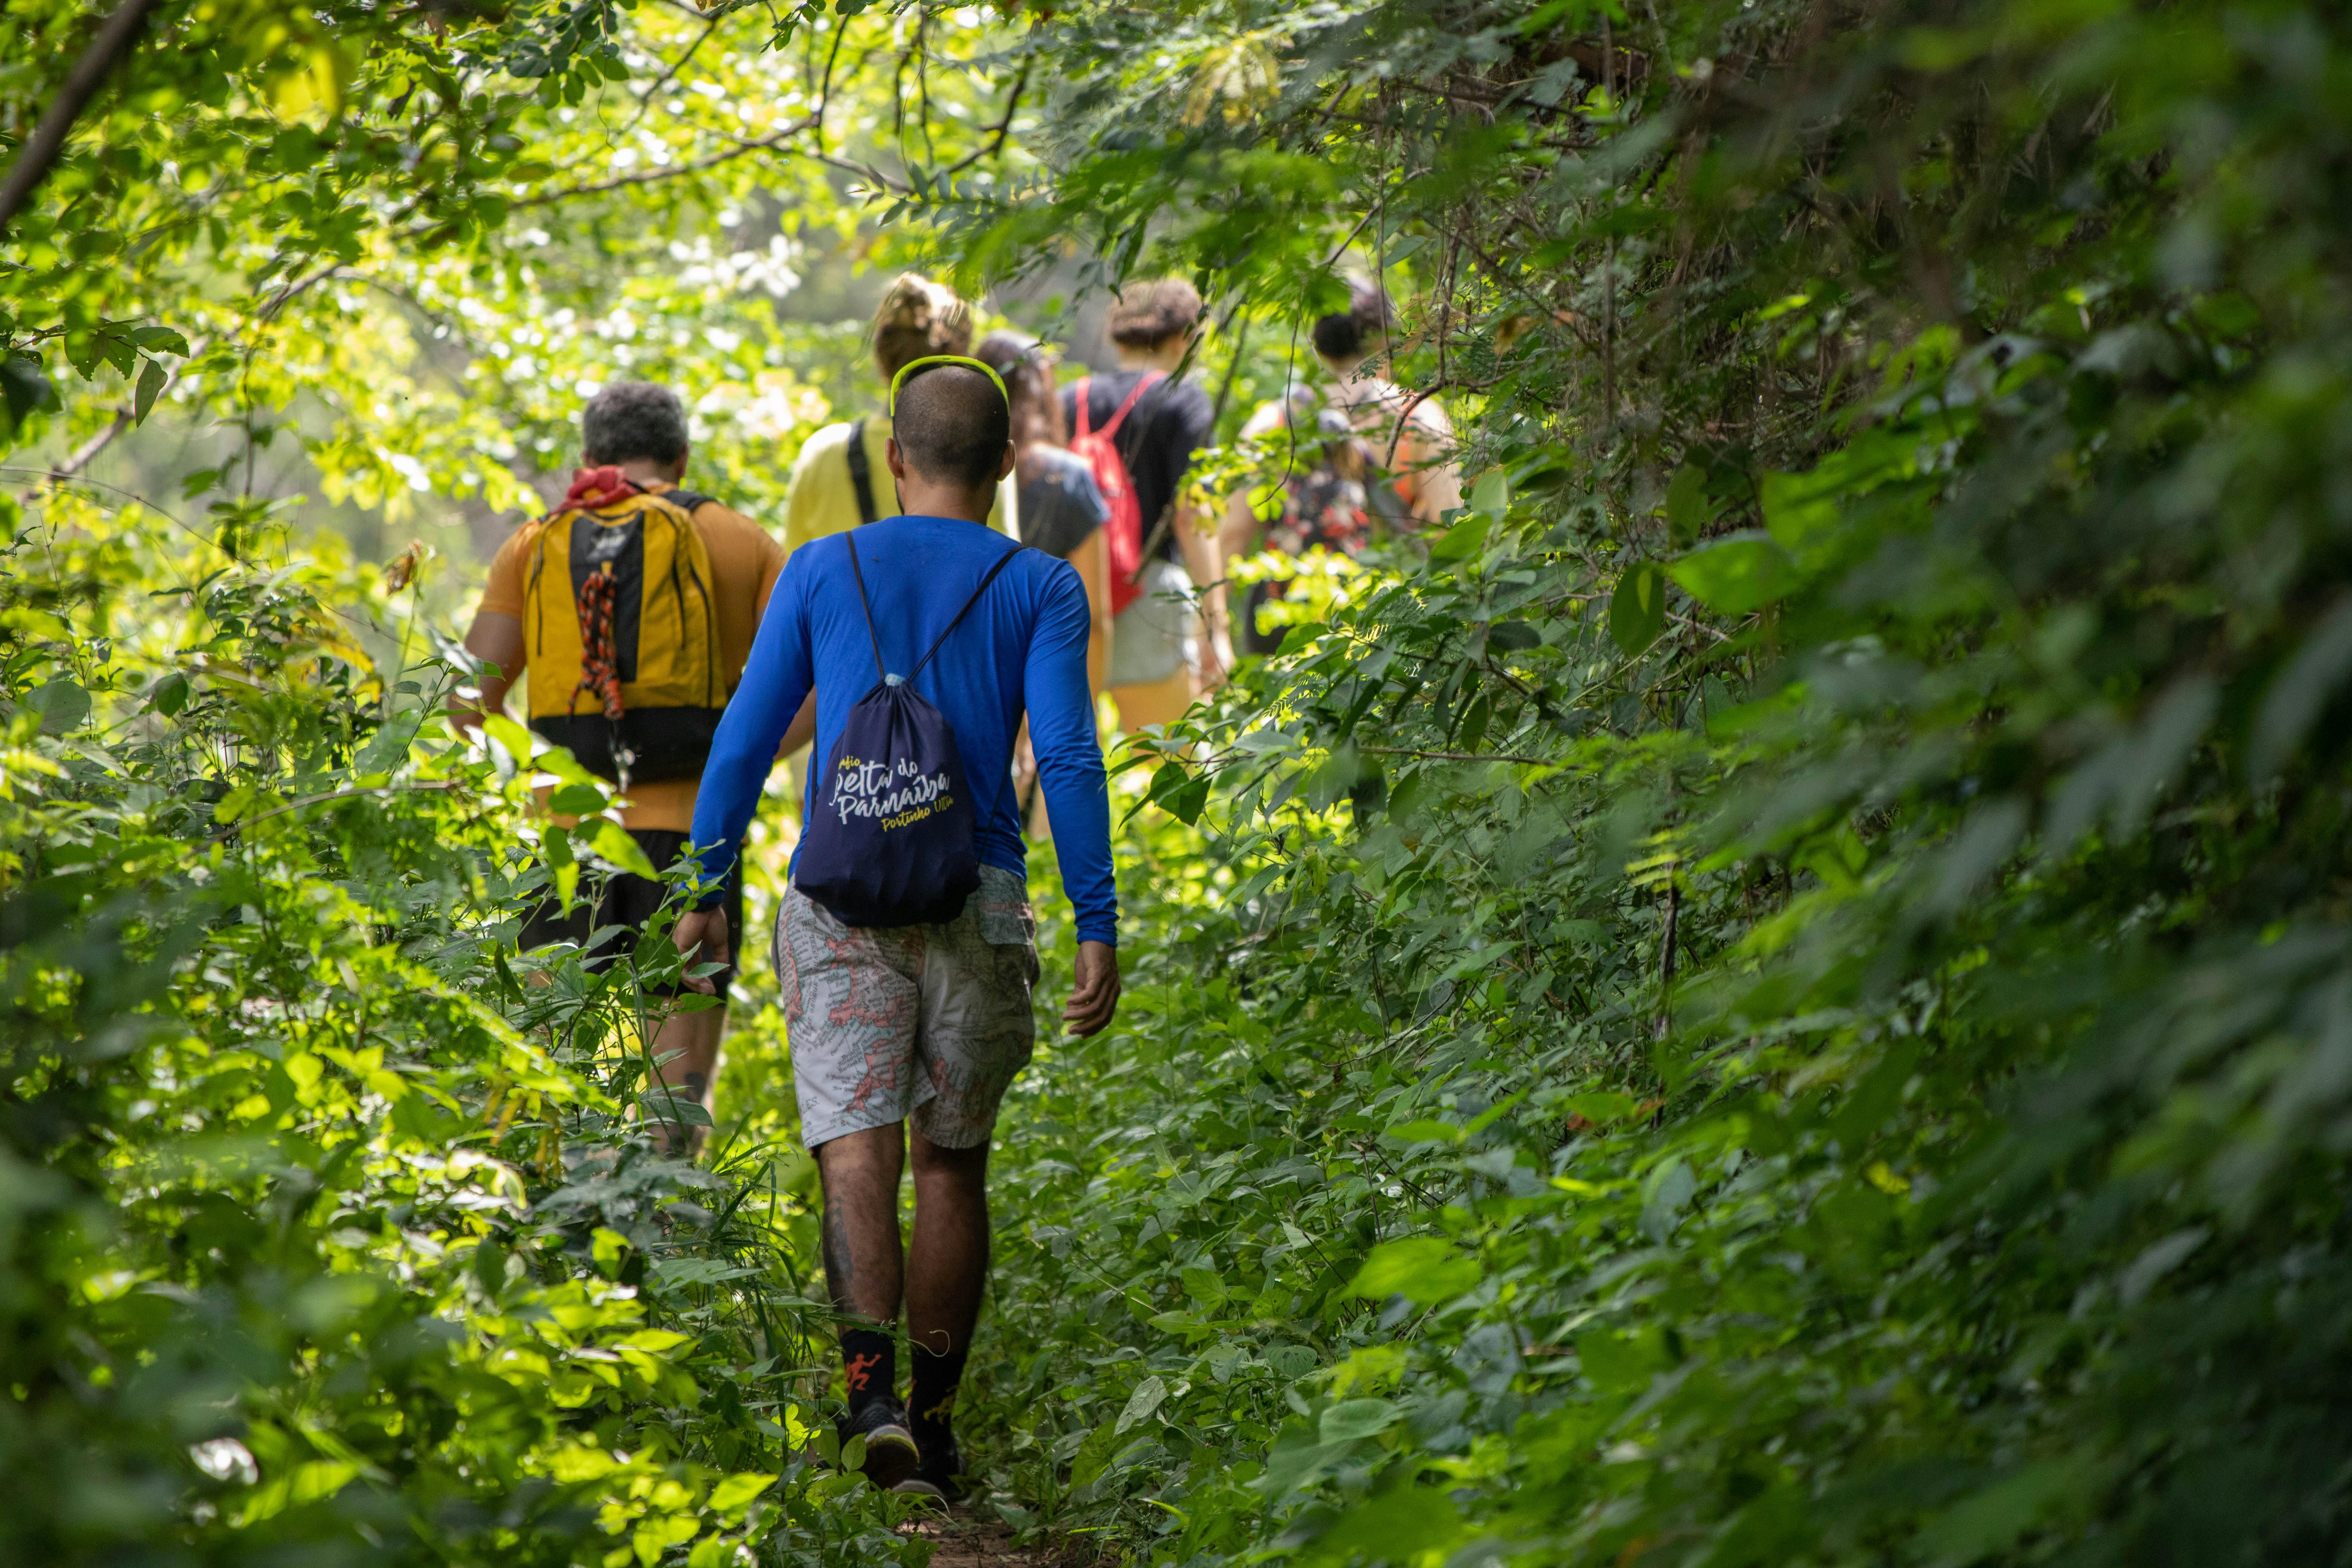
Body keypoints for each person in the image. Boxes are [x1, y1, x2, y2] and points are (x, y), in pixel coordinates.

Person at [672, 360, 1121, 1502]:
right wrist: (1096, 920)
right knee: (951, 1162)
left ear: (897, 456)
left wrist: (706, 881)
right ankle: (936, 1420)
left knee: (856, 1144)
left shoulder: (824, 568)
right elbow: (1065, 755)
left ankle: (869, 1402)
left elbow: (742, 738)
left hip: (842, 903)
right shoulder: (1040, 586)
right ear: (1006, 463)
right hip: (981, 896)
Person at [453, 382, 801, 1147]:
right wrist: (734, 765)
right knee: (672, 1113)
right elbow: (821, 685)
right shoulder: (740, 540)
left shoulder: (535, 543)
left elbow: (462, 702)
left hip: (566, 847)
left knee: (552, 1095)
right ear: (680, 458)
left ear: (589, 460)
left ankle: (561, 1243)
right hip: (694, 850)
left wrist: (543, 769)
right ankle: (670, 1237)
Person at [1219, 280, 1464, 652]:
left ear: (1317, 346)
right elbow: (1451, 534)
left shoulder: (1273, 422)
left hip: (1287, 631)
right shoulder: (1417, 419)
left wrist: (1213, 630)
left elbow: (1232, 533)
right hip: (1383, 631)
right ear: (1384, 340)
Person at [1062, 278, 1232, 730]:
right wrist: (1217, 625)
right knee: (1174, 773)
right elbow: (1193, 516)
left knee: (1065, 767)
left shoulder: (1070, 400)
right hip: (1150, 595)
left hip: (1072, 599)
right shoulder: (1184, 399)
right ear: (1184, 338)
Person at [976, 328, 1113, 692]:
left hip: (971, 677)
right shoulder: (1069, 476)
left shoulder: (958, 470)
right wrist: (1090, 714)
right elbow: (1094, 617)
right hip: (1044, 684)